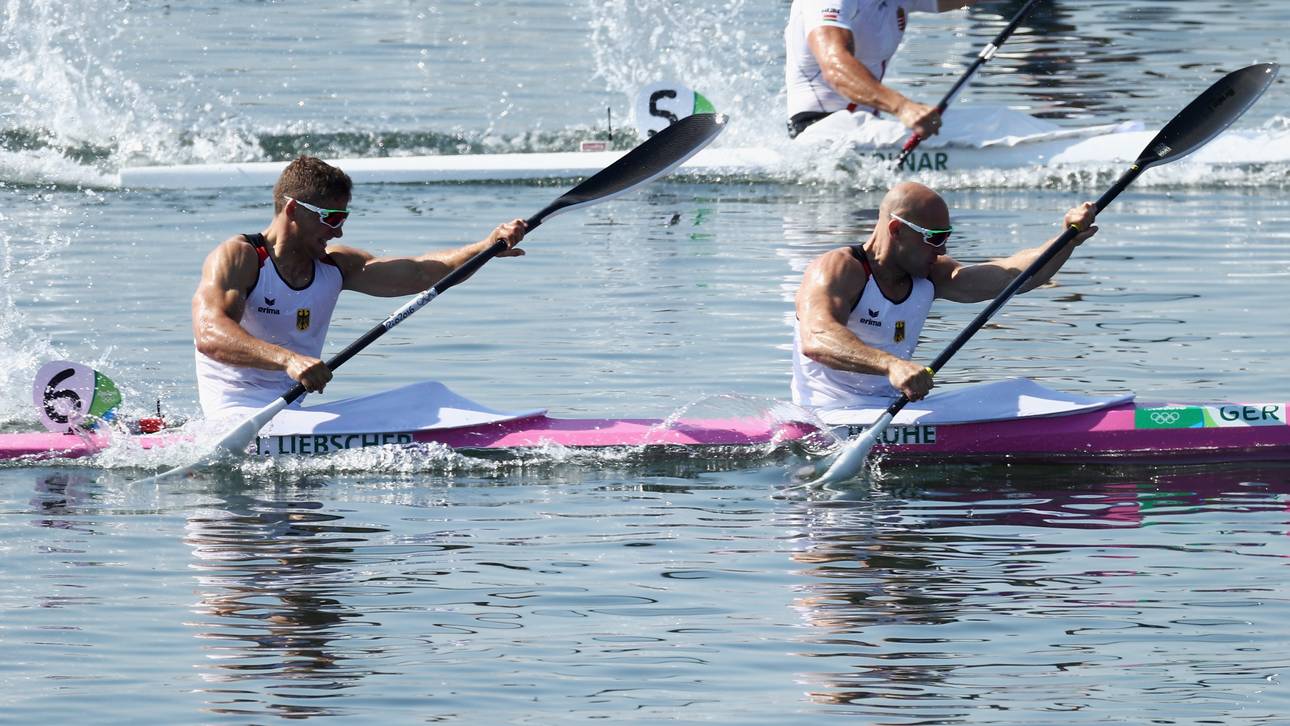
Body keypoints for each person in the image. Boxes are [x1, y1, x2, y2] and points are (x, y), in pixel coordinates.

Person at [192, 155, 527, 417]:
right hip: (234, 412)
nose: (338, 231)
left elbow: (423, 273)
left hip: (291, 413)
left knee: (425, 398)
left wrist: (485, 247)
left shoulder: (336, 266)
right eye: (331, 218)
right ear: (293, 209)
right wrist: (288, 360)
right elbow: (210, 335)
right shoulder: (241, 257)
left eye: (343, 219)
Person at [791, 181, 1097, 409]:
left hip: (895, 409)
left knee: (1010, 394)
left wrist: (1067, 239)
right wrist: (891, 365)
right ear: (896, 230)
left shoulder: (932, 275)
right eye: (934, 238)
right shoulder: (839, 269)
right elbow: (816, 338)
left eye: (946, 237)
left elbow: (1012, 275)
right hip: (828, 414)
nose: (943, 249)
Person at [785, 0, 983, 139]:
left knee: (981, 125)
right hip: (819, 129)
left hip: (865, 129)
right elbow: (834, 68)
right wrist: (903, 107)